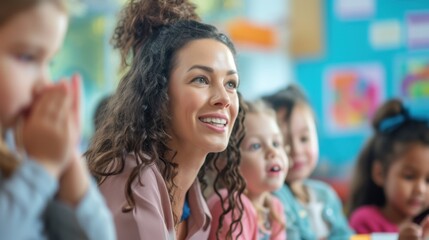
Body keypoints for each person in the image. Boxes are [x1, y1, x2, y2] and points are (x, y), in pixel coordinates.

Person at [85, 0, 246, 239]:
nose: (223, 98)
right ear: (159, 93)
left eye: (230, 84)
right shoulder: (132, 181)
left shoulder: (196, 203)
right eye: (201, 79)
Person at [0, 1, 115, 239]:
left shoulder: (15, 150)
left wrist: (68, 160)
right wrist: (44, 165)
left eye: (49, 62)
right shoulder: (35, 170)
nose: (44, 83)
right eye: (27, 57)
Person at [264, 85, 353, 239]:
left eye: (304, 138)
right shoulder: (275, 198)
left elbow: (346, 235)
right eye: (282, 141)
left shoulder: (326, 194)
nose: (296, 150)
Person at [348, 99, 429, 240]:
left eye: (428, 180)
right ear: (379, 173)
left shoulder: (422, 225)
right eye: (409, 176)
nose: (420, 189)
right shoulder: (364, 221)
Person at [208, 100, 288, 240]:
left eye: (276, 143)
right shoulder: (229, 205)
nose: (272, 152)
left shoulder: (274, 208)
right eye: (256, 146)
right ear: (225, 162)